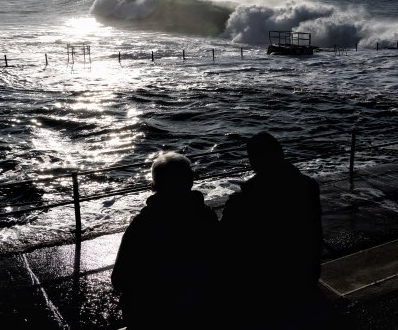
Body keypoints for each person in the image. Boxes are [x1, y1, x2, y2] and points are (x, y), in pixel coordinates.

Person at [220, 131, 334, 329]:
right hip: (306, 272)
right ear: (281, 154)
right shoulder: (308, 186)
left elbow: (224, 239)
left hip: (268, 283)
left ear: (254, 162)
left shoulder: (246, 200)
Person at [111, 152, 220, 329]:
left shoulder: (142, 225)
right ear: (190, 182)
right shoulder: (206, 217)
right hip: (200, 310)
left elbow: (119, 279)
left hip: (152, 316)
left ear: (154, 186)